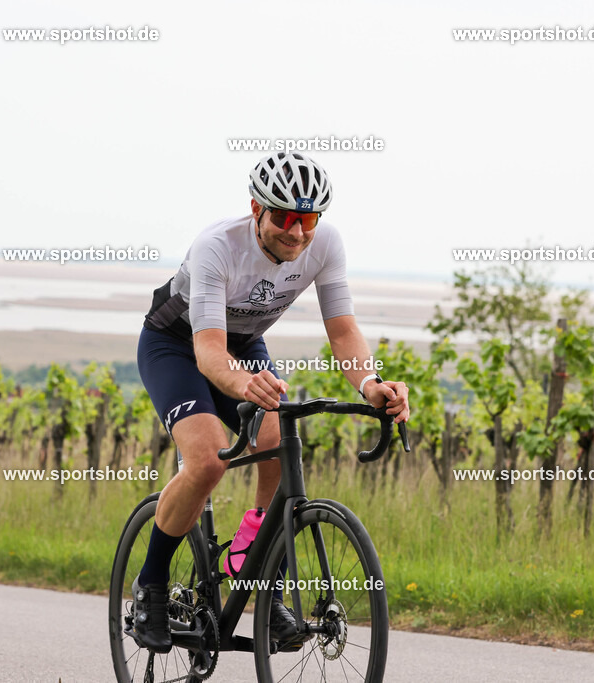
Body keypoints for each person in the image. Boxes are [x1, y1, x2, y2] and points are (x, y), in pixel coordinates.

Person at [133, 152, 410, 652]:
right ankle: (150, 585)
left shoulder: (325, 244)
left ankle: (257, 569)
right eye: (284, 217)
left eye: (308, 219)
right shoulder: (217, 246)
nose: (297, 232)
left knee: (280, 443)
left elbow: (343, 330)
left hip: (243, 345)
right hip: (177, 344)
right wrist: (243, 386)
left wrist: (371, 384)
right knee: (207, 459)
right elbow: (209, 352)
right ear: (256, 208)